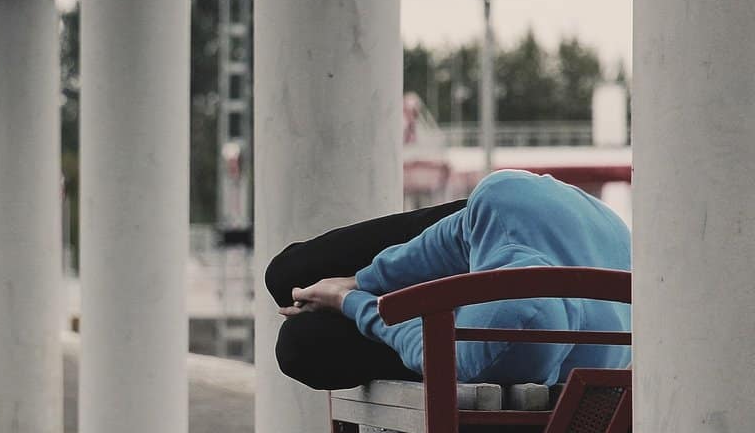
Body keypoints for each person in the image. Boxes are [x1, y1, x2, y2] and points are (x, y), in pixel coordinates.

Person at [266, 169, 631, 390]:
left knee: (300, 343)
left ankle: (332, 302)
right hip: (537, 220)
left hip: (560, 227)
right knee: (288, 280)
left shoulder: (496, 350)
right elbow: (440, 246)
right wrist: (359, 281)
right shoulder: (499, 207)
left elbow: (417, 340)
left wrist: (344, 300)